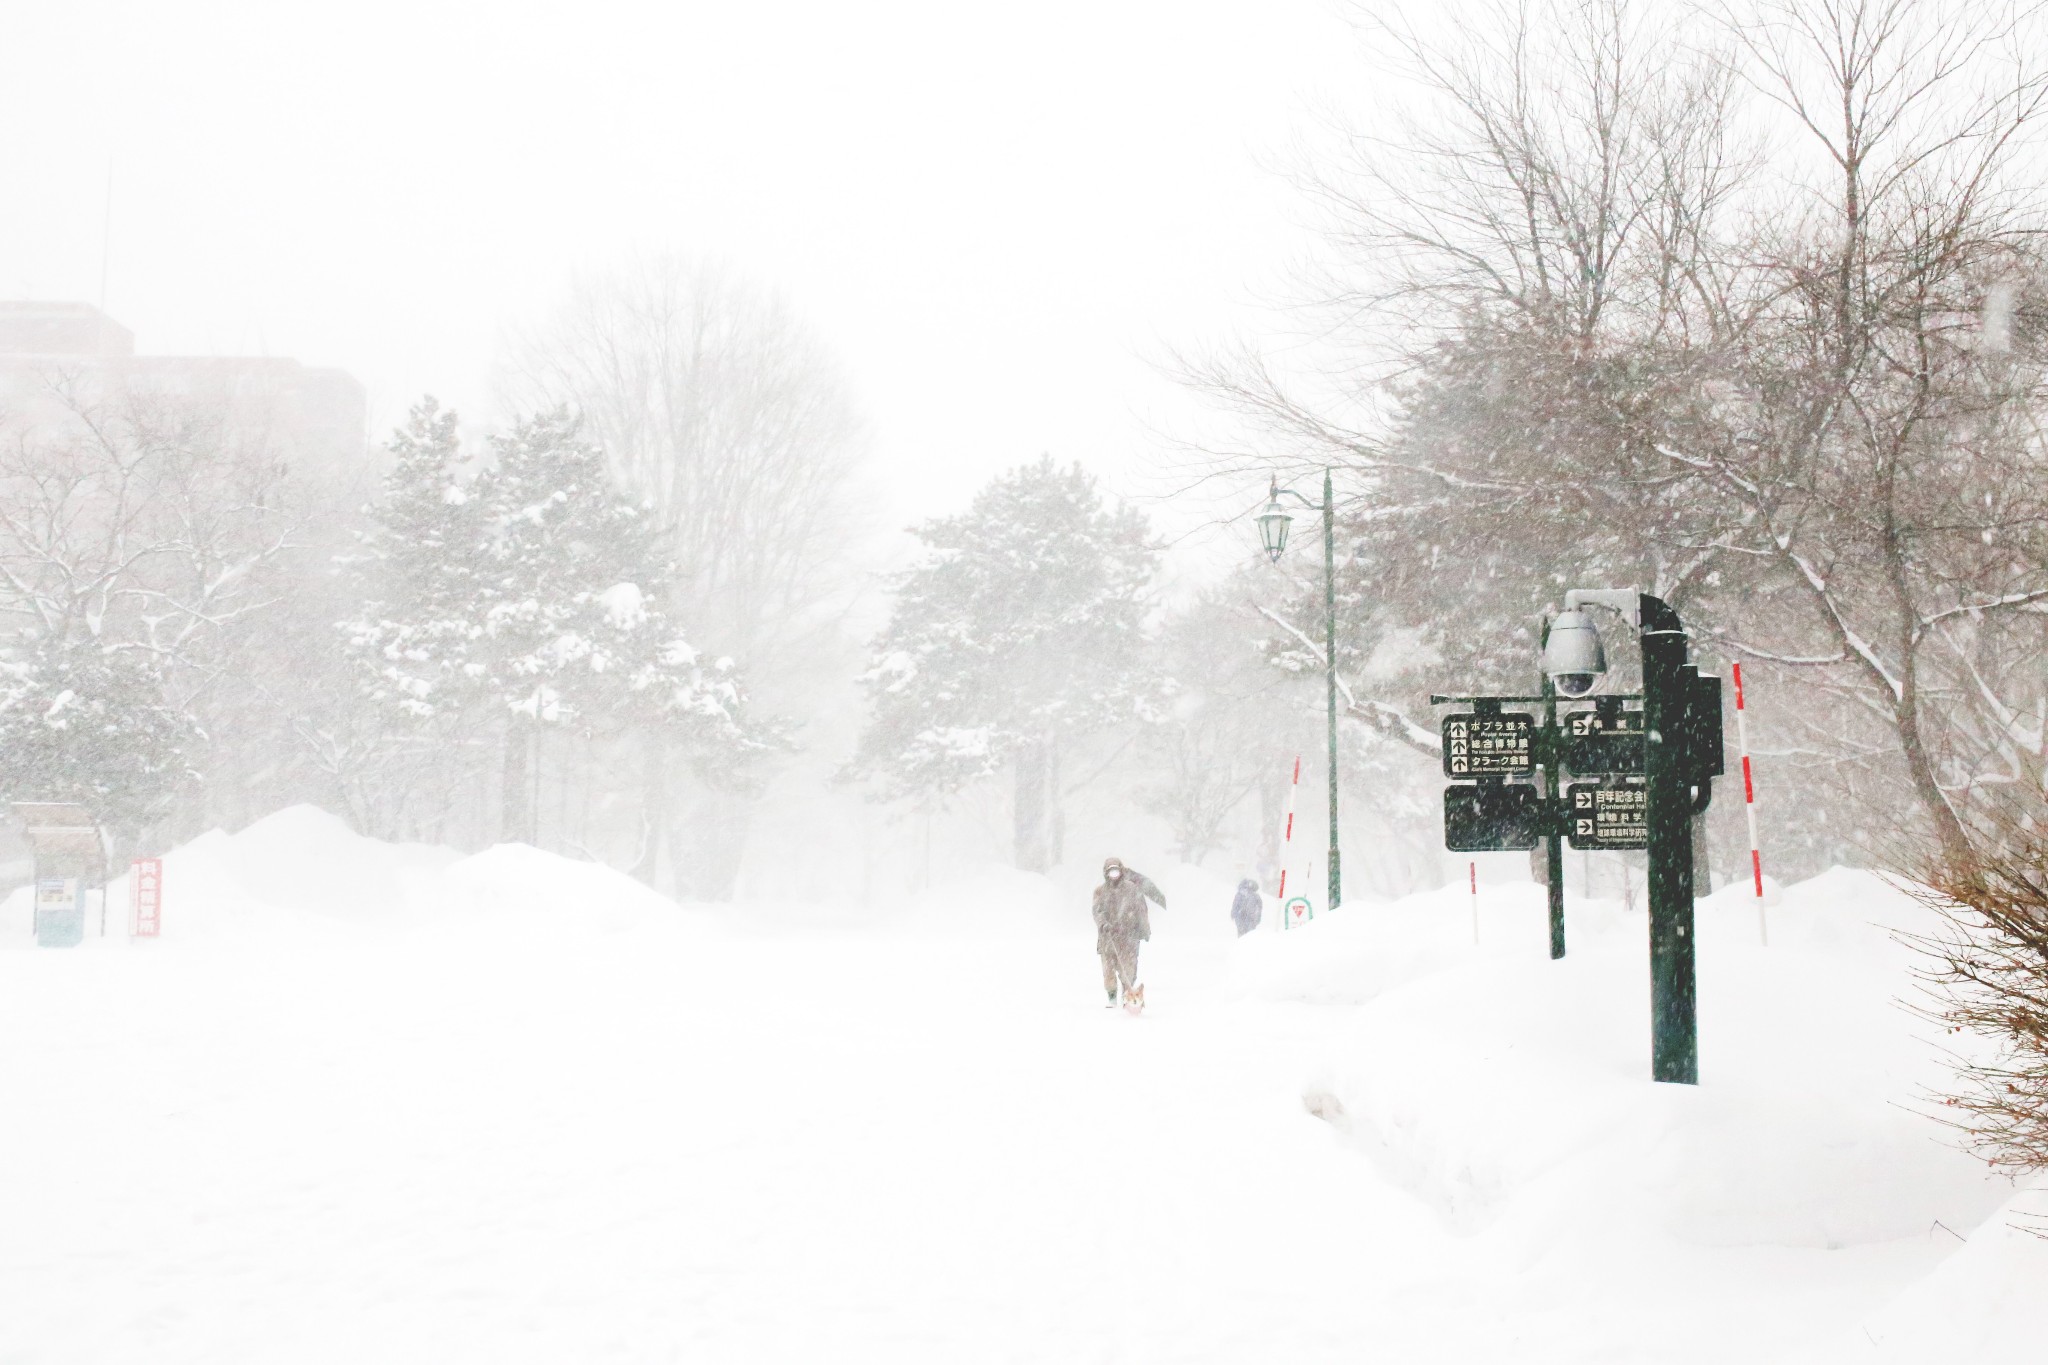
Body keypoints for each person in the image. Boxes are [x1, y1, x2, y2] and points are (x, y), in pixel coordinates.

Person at [1092, 856, 1165, 1007]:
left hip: (1128, 937)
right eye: (1110, 871)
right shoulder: (1100, 892)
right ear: (1105, 873)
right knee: (1109, 970)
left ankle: (1127, 995)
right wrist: (1103, 924)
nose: (1114, 874)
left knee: (1128, 969)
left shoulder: (1131, 889)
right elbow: (1097, 911)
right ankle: (1111, 997)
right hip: (1108, 938)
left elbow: (1141, 910)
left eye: (1116, 870)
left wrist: (1144, 930)